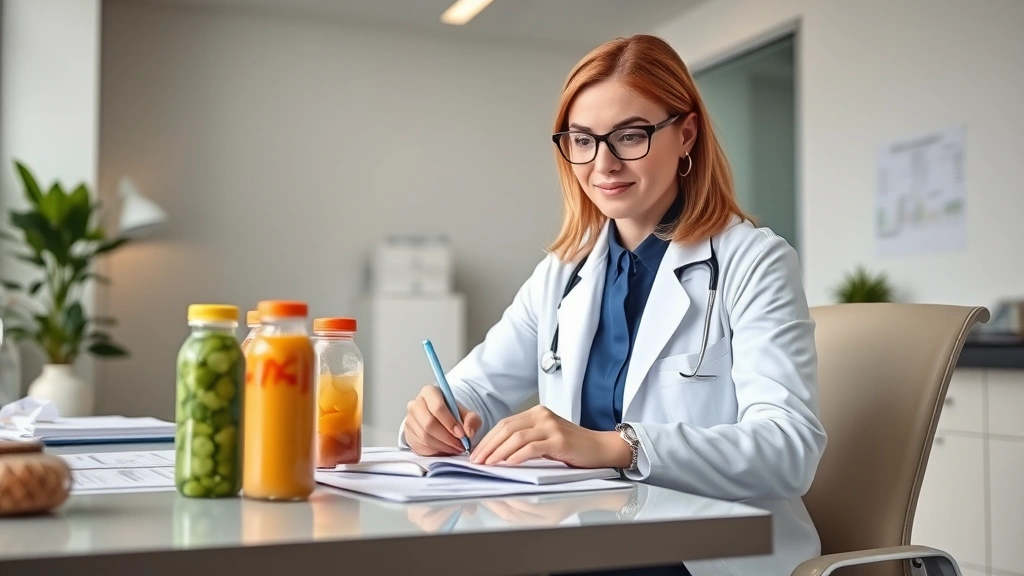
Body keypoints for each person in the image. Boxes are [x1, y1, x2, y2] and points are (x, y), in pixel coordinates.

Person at [399, 34, 827, 576]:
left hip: (702, 560)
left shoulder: (754, 261)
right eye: (582, 140)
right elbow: (477, 390)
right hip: (583, 549)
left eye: (630, 136)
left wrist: (618, 446)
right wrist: (434, 417)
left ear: (686, 134)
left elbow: (788, 450)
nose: (603, 163)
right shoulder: (561, 274)